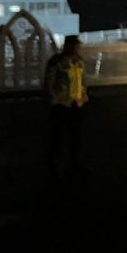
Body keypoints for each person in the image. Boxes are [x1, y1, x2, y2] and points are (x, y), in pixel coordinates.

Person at [44, 35, 88, 176]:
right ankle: (54, 163)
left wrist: (83, 96)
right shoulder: (57, 61)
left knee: (75, 135)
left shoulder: (79, 61)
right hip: (61, 103)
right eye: (74, 45)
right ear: (67, 46)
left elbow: (82, 80)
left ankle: (74, 161)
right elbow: (49, 81)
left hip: (76, 103)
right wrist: (53, 98)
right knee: (58, 135)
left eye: (77, 45)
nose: (77, 48)